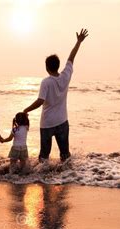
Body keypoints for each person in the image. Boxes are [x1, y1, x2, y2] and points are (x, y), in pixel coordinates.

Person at [23, 29, 89, 163]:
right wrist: (78, 42)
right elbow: (71, 58)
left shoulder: (46, 82)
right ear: (58, 66)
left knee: (44, 156)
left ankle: (44, 179)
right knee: (65, 154)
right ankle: (66, 177)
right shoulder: (65, 76)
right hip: (62, 121)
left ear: (46, 68)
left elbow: (40, 101)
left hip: (47, 123)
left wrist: (26, 110)